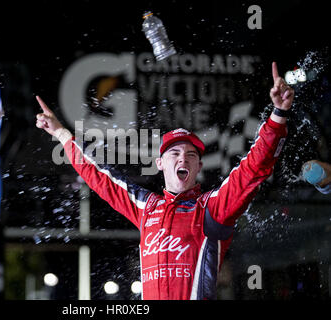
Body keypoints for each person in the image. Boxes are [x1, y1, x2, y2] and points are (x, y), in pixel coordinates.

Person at [35, 62, 294, 300]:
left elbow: (253, 168)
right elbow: (98, 177)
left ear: (198, 167)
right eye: (174, 153)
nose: (183, 158)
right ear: (160, 164)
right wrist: (61, 133)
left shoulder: (212, 208)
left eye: (191, 155)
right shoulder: (146, 207)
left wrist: (279, 114)